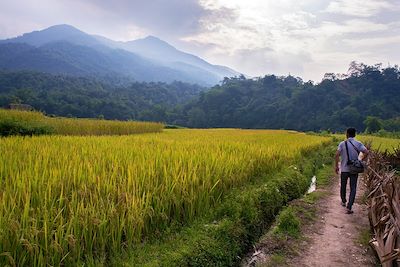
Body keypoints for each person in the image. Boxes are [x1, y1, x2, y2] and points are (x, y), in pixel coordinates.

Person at [335, 128, 369, 214]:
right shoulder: (358, 143)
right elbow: (366, 152)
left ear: (347, 134)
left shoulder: (342, 144)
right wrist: (360, 160)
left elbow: (337, 155)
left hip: (344, 169)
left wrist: (336, 166)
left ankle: (343, 201)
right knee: (353, 188)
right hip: (354, 169)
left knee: (343, 185)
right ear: (355, 134)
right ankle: (349, 207)